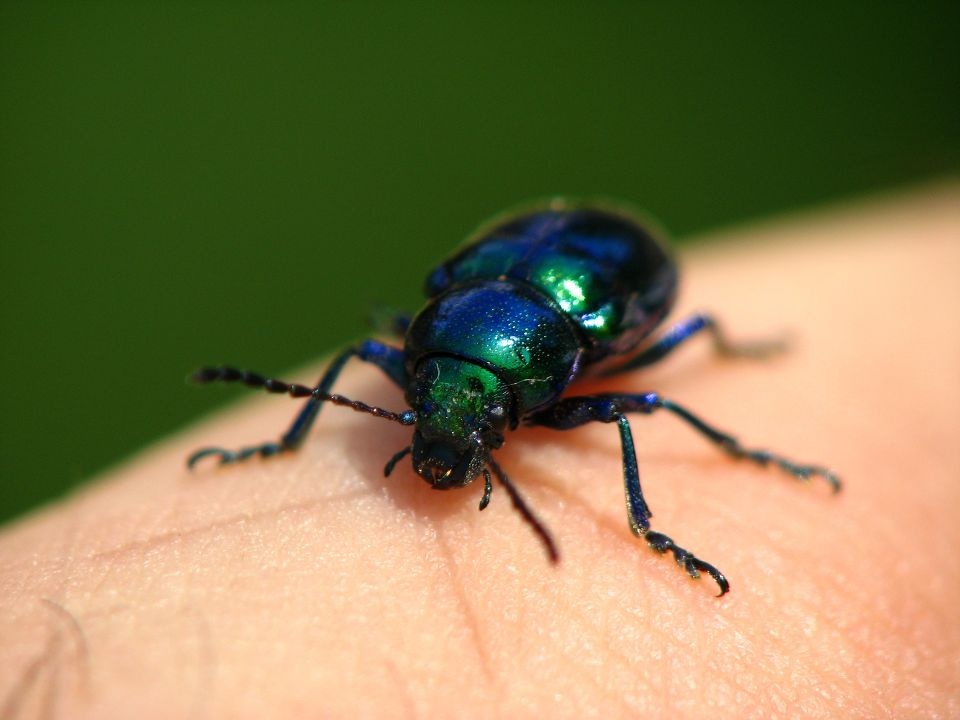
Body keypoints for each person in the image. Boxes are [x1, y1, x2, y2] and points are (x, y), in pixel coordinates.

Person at [1, 186, 957, 718]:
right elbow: (377, 360)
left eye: (467, 417)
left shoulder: (576, 351)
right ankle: (276, 438)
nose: (440, 434)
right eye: (426, 403)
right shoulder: (431, 347)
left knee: (647, 400)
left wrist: (653, 517)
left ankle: (680, 497)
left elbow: (633, 400)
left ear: (544, 385)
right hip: (507, 293)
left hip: (599, 268)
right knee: (350, 361)